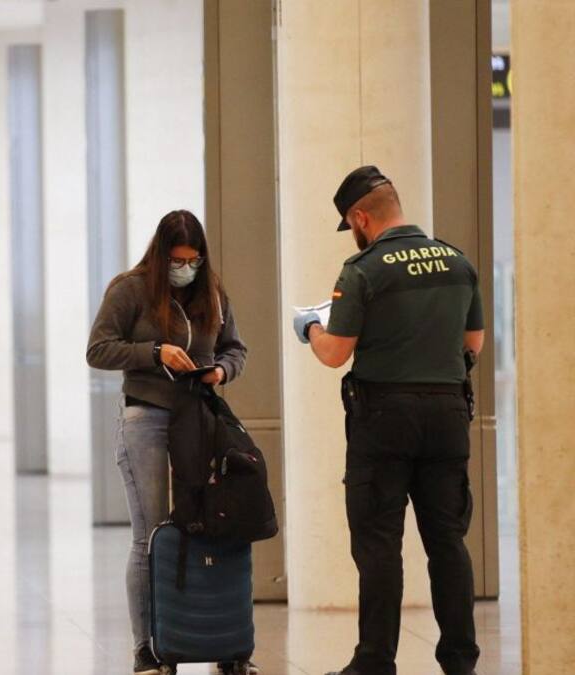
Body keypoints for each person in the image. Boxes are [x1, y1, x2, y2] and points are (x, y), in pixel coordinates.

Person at [292, 166, 484, 675]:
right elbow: (474, 345)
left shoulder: (364, 270)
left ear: (360, 217)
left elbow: (335, 354)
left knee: (379, 544)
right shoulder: (457, 262)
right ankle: (461, 661)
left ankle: (375, 661)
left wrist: (310, 326)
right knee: (448, 540)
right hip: (447, 415)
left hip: (384, 419)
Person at [87, 210, 251, 675]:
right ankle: (149, 649)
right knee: (152, 533)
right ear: (161, 256)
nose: (186, 268)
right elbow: (98, 349)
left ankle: (223, 642)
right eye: (178, 259)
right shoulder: (130, 289)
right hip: (147, 418)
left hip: (201, 419)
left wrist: (222, 370)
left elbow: (236, 347)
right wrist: (154, 352)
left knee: (218, 523)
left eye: (194, 259)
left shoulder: (212, 291)